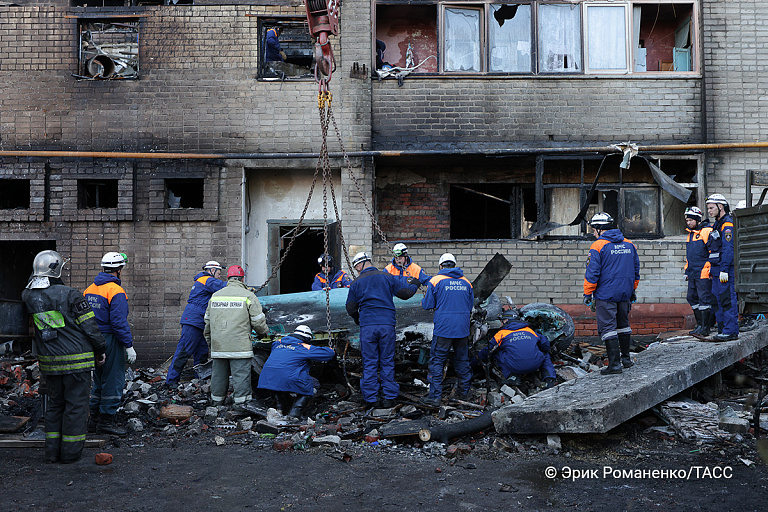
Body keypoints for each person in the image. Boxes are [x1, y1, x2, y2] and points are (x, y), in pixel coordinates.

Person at [22, 251, 106, 463]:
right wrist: (100, 349)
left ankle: (52, 453)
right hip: (77, 362)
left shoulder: (28, 296)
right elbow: (90, 327)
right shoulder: (71, 295)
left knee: (55, 406)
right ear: (56, 270)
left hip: (50, 364)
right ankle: (70, 454)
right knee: (76, 407)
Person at [345, 251, 418, 408]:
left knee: (370, 362)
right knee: (387, 361)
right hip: (386, 325)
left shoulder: (357, 282)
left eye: (356, 267)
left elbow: (350, 307)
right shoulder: (387, 277)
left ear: (359, 265)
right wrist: (415, 284)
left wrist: (357, 318)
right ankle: (389, 397)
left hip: (368, 326)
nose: (357, 270)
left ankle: (371, 399)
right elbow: (405, 294)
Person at [583, 212, 640, 375]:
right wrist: (632, 289)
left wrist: (587, 293)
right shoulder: (629, 244)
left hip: (606, 294)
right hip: (625, 293)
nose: (593, 233)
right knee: (623, 325)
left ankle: (614, 365)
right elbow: (636, 270)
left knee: (608, 327)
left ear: (599, 229)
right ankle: (626, 360)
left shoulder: (597, 246)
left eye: (594, 230)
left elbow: (592, 273)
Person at [84, 251, 134, 436]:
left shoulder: (89, 289)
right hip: (110, 339)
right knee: (113, 380)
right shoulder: (116, 291)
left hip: (93, 339)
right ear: (119, 270)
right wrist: (128, 345)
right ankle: (106, 422)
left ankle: (93, 421)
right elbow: (119, 322)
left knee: (98, 380)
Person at [205, 265, 269, 408]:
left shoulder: (215, 296)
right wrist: (264, 333)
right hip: (239, 345)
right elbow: (258, 321)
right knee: (241, 375)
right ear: (242, 279)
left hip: (218, 345)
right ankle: (241, 404)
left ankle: (216, 402)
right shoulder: (248, 296)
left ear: (228, 278)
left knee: (218, 375)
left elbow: (207, 323)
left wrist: (211, 342)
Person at [420, 253, 474, 406]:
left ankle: (435, 397)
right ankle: (464, 394)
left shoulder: (436, 280)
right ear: (454, 265)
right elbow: (470, 305)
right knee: (462, 361)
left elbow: (427, 305)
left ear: (441, 266)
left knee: (437, 361)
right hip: (462, 329)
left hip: (444, 329)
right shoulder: (466, 282)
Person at [166, 261, 227, 387]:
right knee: (184, 351)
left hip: (197, 321)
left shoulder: (203, 281)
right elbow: (223, 286)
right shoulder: (207, 280)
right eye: (219, 273)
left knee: (202, 352)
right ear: (212, 270)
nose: (219, 276)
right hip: (194, 321)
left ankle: (200, 380)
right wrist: (239, 285)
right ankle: (171, 381)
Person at [257, 325, 336, 419]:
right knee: (314, 384)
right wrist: (331, 350)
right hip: (288, 378)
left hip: (266, 378)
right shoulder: (303, 346)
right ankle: (295, 413)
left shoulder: (277, 343)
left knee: (277, 383)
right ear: (307, 338)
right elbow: (329, 354)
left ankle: (280, 409)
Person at [474, 301, 557, 389]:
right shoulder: (529, 330)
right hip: (535, 365)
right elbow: (545, 344)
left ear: (506, 320)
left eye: (502, 321)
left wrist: (474, 362)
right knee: (545, 354)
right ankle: (549, 379)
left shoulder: (502, 333)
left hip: (515, 367)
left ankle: (512, 377)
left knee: (497, 352)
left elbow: (487, 350)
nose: (501, 324)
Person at [705, 193, 738, 341]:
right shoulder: (717, 224)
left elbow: (728, 249)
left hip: (724, 270)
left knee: (727, 299)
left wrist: (724, 269)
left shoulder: (727, 224)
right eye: (708, 208)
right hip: (716, 270)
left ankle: (730, 331)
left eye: (711, 208)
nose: (709, 211)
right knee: (717, 301)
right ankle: (722, 329)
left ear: (720, 206)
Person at [683, 206, 714, 336]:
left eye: (691, 220)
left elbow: (713, 252)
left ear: (697, 219)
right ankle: (700, 325)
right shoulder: (690, 235)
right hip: (692, 272)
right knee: (692, 297)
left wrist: (710, 269)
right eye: (687, 220)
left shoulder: (707, 231)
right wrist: (686, 271)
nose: (688, 223)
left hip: (703, 272)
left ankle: (705, 328)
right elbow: (689, 256)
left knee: (704, 300)